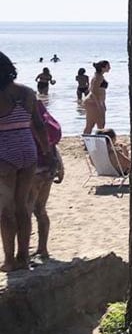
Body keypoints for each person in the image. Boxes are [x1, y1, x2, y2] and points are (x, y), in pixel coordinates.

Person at [0, 52, 51, 272]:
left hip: (4, 153)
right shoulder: (28, 93)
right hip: (27, 150)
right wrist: (47, 152)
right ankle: (24, 257)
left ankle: (9, 260)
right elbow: (39, 126)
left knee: (5, 210)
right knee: (22, 206)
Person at [28, 102, 63, 261]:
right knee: (40, 209)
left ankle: (22, 252)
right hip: (48, 167)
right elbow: (53, 141)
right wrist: (59, 163)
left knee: (25, 211)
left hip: (32, 168)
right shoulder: (41, 111)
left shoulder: (23, 113)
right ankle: (42, 249)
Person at [82, 60, 110, 134]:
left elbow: (91, 89)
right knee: (99, 124)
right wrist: (99, 105)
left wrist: (102, 103)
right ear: (102, 68)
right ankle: (98, 141)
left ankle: (87, 141)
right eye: (108, 66)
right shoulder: (98, 77)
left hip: (93, 102)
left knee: (92, 124)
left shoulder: (98, 76)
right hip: (93, 102)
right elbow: (94, 91)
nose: (109, 68)